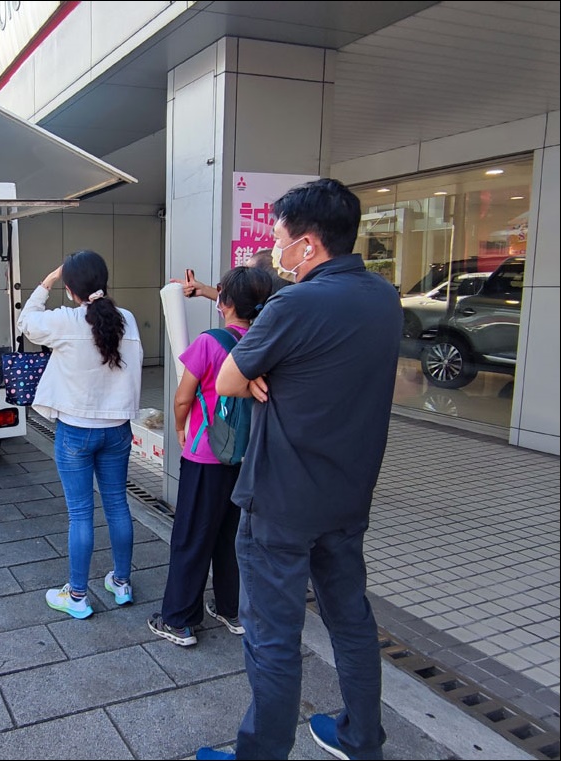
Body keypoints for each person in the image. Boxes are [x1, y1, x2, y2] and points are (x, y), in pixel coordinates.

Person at [197, 179, 403, 761]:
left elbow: (231, 378)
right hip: (347, 496)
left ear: (309, 246)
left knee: (273, 639)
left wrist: (260, 373)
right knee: (351, 621)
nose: (275, 253)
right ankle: (363, 739)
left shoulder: (296, 303)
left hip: (282, 501)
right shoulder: (384, 299)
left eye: (281, 241)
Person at [149, 266, 272, 647]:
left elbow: (183, 396)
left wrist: (180, 428)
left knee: (191, 535)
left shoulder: (209, 342)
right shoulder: (267, 342)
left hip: (206, 455)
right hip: (247, 455)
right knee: (231, 534)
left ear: (225, 303)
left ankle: (179, 620)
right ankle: (232, 610)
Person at [17, 250, 144, 619]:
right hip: (117, 431)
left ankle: (76, 596)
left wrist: (46, 282)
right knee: (118, 505)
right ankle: (121, 584)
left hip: (75, 433)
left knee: (80, 514)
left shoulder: (66, 320)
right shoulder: (129, 321)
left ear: (71, 288)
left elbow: (26, 322)